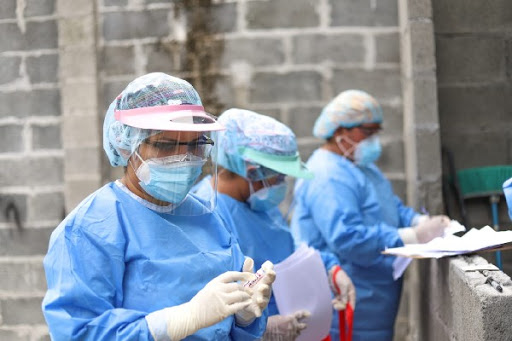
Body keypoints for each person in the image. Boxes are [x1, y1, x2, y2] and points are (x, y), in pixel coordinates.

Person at [42, 73, 275, 340]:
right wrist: (179, 320)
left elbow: (227, 330)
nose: (184, 157)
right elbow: (79, 332)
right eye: (167, 145)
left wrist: (244, 317)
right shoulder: (90, 229)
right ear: (127, 144)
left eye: (196, 144)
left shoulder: (207, 218)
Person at [290, 90, 450, 341]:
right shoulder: (327, 175)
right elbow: (346, 237)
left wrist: (417, 221)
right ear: (340, 130)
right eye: (367, 131)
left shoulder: (362, 167)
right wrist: (411, 236)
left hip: (374, 305)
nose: (373, 139)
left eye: (377, 131)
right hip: (345, 303)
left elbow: (389, 206)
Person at [193, 108, 356, 340]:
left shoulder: (259, 204)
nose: (281, 184)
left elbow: (287, 248)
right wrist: (262, 329)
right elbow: (206, 305)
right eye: (278, 177)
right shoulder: (205, 214)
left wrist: (329, 268)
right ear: (252, 171)